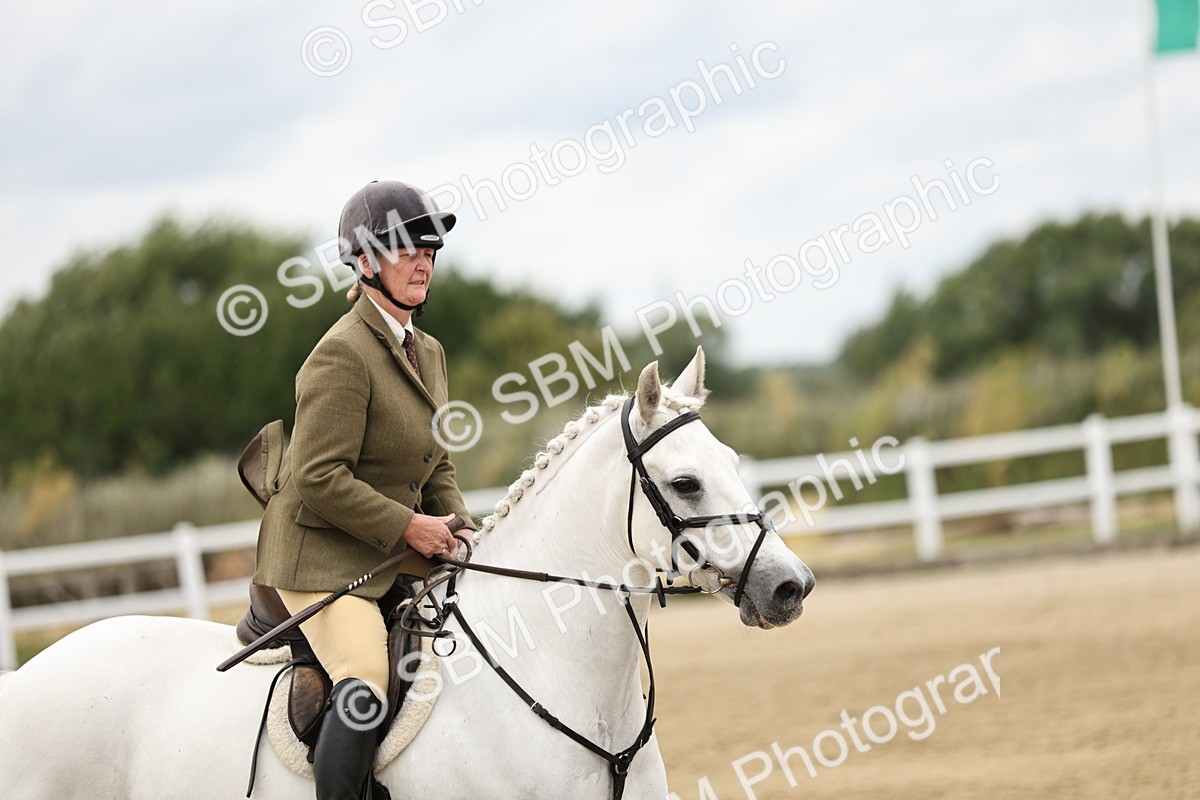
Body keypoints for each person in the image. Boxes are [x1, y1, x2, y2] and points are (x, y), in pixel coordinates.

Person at [253, 180, 476, 800]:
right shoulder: (340, 355)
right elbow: (318, 478)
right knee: (366, 676)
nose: (422, 260)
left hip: (381, 548)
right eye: (406, 248)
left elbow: (436, 466)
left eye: (429, 248)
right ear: (365, 262)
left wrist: (461, 525)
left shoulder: (427, 351)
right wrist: (409, 527)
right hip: (318, 556)